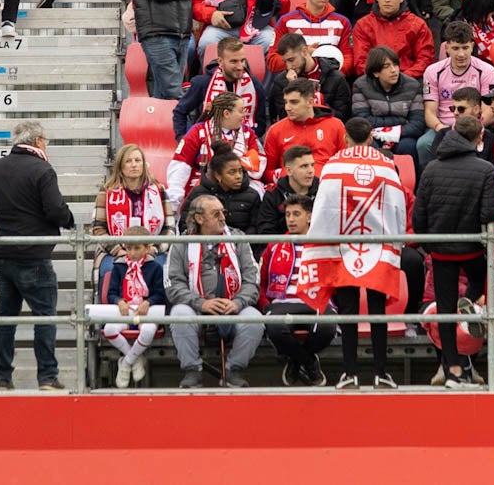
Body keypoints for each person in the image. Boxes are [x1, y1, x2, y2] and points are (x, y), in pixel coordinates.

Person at [0, 120, 74, 391]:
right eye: (45, 140)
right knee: (45, 317)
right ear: (37, 142)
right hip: (35, 256)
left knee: (6, 317)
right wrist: (69, 219)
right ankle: (46, 377)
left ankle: (2, 377)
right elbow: (55, 210)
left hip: (3, 253)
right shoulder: (43, 169)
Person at [304, 117, 408, 389]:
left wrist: (320, 242)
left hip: (343, 243)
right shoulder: (386, 165)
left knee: (348, 310)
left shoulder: (333, 165)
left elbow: (324, 207)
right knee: (377, 311)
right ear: (370, 138)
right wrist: (397, 241)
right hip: (379, 243)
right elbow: (397, 205)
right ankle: (381, 372)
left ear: (346, 138)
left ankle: (348, 372)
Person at [410, 113, 494, 388]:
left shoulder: (432, 168)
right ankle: (470, 306)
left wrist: (429, 244)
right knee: (478, 282)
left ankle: (453, 371)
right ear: (479, 138)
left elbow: (418, 215)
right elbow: (489, 213)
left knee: (445, 310)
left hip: (440, 251)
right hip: (472, 249)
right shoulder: (486, 170)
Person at [166, 193, 262, 388]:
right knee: (179, 314)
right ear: (199, 218)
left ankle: (234, 370)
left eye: (223, 212)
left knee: (255, 320)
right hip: (196, 306)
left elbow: (253, 280)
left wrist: (238, 302)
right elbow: (173, 284)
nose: (223, 217)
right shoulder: (180, 244)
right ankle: (192, 371)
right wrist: (201, 303)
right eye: (216, 213)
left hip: (234, 304)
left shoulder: (238, 239)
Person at [258, 195, 334, 386]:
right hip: (282, 303)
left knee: (327, 327)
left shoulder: (325, 246)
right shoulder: (274, 246)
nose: (290, 219)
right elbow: (261, 282)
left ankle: (295, 361)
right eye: (288, 215)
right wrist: (266, 306)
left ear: (309, 217)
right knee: (275, 328)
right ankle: (309, 363)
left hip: (315, 301)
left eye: (296, 214)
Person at [89, 224, 168, 389]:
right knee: (110, 329)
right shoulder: (119, 266)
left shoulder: (155, 267)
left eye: (137, 248)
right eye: (129, 248)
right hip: (124, 311)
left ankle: (125, 364)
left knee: (148, 331)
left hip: (146, 312)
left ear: (147, 248)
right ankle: (135, 358)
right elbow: (111, 293)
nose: (132, 253)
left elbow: (160, 293)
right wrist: (119, 301)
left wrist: (148, 302)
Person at [91, 144, 170, 297]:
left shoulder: (159, 190)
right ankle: (105, 319)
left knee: (160, 268)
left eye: (137, 160)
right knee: (109, 270)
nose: (134, 165)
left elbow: (169, 229)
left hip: (152, 250)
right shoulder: (106, 192)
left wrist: (154, 249)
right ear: (120, 166)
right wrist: (119, 251)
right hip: (115, 250)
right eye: (128, 161)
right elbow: (98, 229)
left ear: (143, 164)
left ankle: (159, 318)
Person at [169, 92, 261, 207]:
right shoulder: (198, 131)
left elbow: (259, 165)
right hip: (205, 187)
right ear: (226, 113)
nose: (244, 115)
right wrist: (174, 199)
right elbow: (180, 166)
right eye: (241, 111)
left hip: (240, 187)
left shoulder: (248, 134)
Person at [267, 0, 355, 76]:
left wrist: (329, 75)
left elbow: (349, 59)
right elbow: (272, 61)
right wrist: (301, 56)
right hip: (295, 82)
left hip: (330, 82)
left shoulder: (342, 23)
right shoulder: (286, 21)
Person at [175, 36, 267, 138]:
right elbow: (180, 112)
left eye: (242, 60)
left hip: (246, 141)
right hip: (208, 142)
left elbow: (260, 124)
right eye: (234, 61)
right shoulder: (202, 83)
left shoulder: (254, 84)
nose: (240, 66)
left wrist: (241, 140)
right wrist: (183, 139)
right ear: (220, 61)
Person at [346, 0, 435, 79]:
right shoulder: (363, 25)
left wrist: (401, 79)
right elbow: (361, 62)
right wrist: (381, 78)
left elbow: (425, 60)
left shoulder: (418, 25)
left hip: (409, 81)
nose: (387, 0)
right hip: (374, 81)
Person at [264, 79, 347, 177]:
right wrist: (287, 176)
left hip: (325, 186)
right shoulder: (276, 130)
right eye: (286, 102)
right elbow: (267, 172)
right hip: (290, 188)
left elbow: (346, 164)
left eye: (294, 102)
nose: (287, 107)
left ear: (310, 102)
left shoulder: (336, 126)